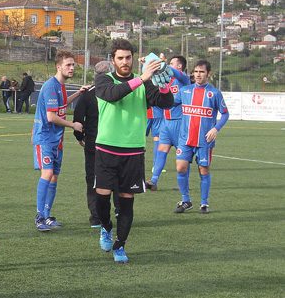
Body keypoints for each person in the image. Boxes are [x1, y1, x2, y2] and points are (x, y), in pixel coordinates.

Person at [93, 39, 173, 263]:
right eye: (120, 58)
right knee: (102, 199)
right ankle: (106, 227)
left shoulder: (145, 84)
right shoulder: (103, 79)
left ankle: (120, 245)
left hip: (133, 151)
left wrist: (164, 86)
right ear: (113, 60)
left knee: (127, 200)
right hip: (106, 149)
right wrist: (143, 78)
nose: (125, 62)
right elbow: (112, 94)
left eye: (128, 57)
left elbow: (164, 102)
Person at [32, 51, 85, 230]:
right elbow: (51, 117)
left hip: (56, 139)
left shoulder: (60, 87)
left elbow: (61, 105)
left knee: (54, 177)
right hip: (45, 138)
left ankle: (47, 216)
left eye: (73, 65)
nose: (71, 68)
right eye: (68, 65)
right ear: (59, 66)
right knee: (47, 174)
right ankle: (39, 217)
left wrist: (78, 93)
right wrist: (73, 125)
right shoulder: (50, 86)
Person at [174, 60, 229, 214]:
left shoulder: (214, 93)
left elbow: (225, 113)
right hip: (185, 139)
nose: (198, 74)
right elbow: (170, 102)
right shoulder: (185, 91)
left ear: (208, 74)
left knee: (203, 170)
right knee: (180, 168)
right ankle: (186, 200)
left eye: (202, 72)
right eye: (196, 71)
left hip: (204, 140)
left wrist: (216, 128)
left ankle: (204, 203)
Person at [73, 60, 121, 228]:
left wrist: (79, 136)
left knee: (93, 179)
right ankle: (119, 210)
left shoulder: (87, 94)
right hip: (115, 142)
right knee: (116, 177)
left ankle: (96, 216)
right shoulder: (117, 92)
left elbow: (78, 117)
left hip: (93, 143)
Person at [144, 55, 191, 190]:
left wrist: (162, 64)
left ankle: (184, 184)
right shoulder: (166, 81)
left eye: (172, 63)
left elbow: (175, 73)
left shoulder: (183, 79)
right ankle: (153, 181)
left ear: (179, 66)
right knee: (161, 151)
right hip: (166, 123)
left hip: (180, 123)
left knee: (183, 155)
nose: (169, 65)